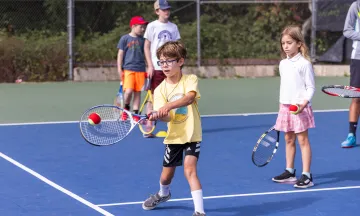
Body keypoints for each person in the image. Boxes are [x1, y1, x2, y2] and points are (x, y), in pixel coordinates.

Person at [142, 41, 206, 216]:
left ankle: (199, 212)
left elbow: (189, 98)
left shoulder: (190, 79)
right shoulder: (160, 90)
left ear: (180, 61)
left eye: (169, 61)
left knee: (190, 170)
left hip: (192, 134)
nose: (165, 65)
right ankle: (163, 194)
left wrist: (168, 106)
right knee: (166, 177)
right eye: (161, 62)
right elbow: (168, 117)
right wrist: (159, 114)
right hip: (174, 137)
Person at [272, 25, 316, 189]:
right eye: (283, 43)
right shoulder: (283, 64)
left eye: (289, 42)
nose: (285, 46)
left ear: (298, 43)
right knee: (288, 139)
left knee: (302, 140)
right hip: (285, 107)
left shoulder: (304, 64)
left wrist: (303, 104)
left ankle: (307, 175)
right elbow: (285, 87)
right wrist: (281, 107)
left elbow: (311, 87)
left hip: (300, 108)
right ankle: (290, 171)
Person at [143, 0, 181, 137]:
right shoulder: (152, 26)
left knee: (173, 97)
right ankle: (149, 125)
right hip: (157, 68)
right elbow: (146, 46)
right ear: (157, 11)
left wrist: (178, 65)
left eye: (168, 9)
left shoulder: (173, 27)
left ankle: (173, 126)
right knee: (152, 97)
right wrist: (150, 65)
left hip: (172, 68)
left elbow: (177, 47)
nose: (167, 12)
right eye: (164, 9)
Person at [117, 16, 149, 121]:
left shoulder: (144, 40)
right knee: (129, 91)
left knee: (137, 92)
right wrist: (119, 68)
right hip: (128, 69)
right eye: (141, 27)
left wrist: (148, 67)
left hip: (141, 70)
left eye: (144, 27)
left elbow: (146, 54)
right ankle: (126, 108)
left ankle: (136, 114)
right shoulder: (125, 38)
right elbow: (120, 54)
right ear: (133, 26)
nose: (143, 29)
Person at [341, 0, 360, 148]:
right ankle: (351, 135)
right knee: (356, 97)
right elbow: (347, 31)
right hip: (358, 58)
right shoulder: (356, 6)